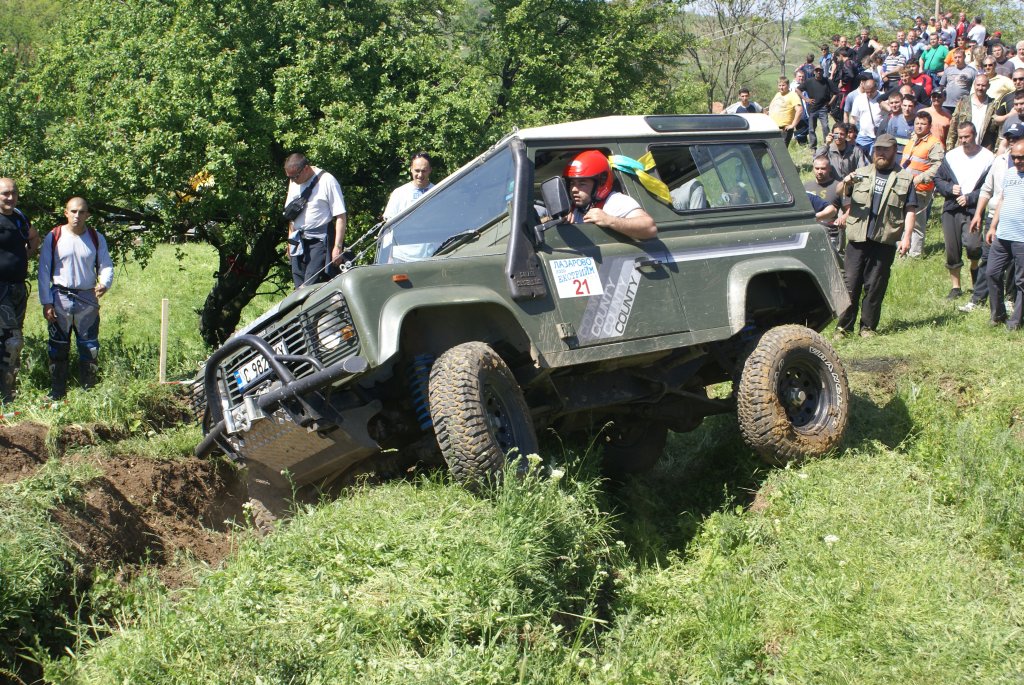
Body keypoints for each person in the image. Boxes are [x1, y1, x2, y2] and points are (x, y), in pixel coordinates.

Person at [835, 133, 918, 337]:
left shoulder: (905, 178)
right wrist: (846, 181)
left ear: (894, 151)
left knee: (875, 285)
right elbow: (839, 191)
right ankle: (843, 328)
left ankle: (868, 328)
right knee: (850, 283)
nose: (880, 153)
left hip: (884, 239)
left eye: (885, 150)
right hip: (858, 237)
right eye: (878, 149)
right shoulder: (860, 173)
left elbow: (910, 210)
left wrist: (907, 237)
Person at [37, 198, 114, 399]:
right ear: (66, 213)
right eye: (73, 211)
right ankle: (57, 392)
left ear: (87, 215)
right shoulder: (54, 236)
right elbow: (44, 270)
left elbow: (106, 264)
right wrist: (46, 301)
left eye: (81, 212)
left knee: (89, 346)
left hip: (87, 298)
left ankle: (89, 391)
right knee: (57, 346)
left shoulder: (96, 238)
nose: (77, 216)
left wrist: (105, 283)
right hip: (59, 297)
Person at [961, 123, 1024, 312]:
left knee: (1014, 265)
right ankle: (978, 298)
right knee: (988, 261)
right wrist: (978, 214)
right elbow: (987, 189)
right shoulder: (1000, 161)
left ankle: (1010, 299)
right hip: (995, 217)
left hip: (1018, 222)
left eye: (1016, 138)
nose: (1011, 142)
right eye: (1009, 138)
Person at [933, 123, 993, 301]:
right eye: (960, 137)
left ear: (975, 135)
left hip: (973, 209)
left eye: (967, 137)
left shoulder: (987, 157)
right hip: (951, 208)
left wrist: (970, 198)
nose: (963, 140)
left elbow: (989, 187)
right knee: (952, 249)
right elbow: (938, 178)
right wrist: (949, 188)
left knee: (974, 246)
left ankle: (974, 269)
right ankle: (956, 287)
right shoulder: (952, 156)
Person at [282, 153, 348, 288]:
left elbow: (341, 216)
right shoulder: (293, 181)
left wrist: (337, 247)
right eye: (290, 177)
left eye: (295, 177)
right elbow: (291, 215)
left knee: (310, 284)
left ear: (306, 169)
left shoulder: (328, 181)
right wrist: (290, 242)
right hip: (298, 239)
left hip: (319, 241)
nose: (293, 180)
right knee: (298, 284)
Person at [0, 178, 39, 402]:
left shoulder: (20, 217)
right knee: (12, 341)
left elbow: (34, 237)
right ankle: (7, 396)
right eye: (5, 193)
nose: (10, 197)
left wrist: (23, 257)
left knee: (12, 342)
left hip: (18, 289)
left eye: (13, 193)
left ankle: (8, 394)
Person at [562, 150, 656, 240]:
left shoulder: (616, 201)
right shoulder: (573, 208)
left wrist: (609, 220)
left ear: (600, 183)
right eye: (572, 183)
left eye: (582, 184)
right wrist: (561, 220)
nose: (574, 189)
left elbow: (650, 228)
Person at [984, 138, 1024, 329]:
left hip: (1022, 238)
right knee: (992, 273)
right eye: (1014, 157)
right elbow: (1002, 200)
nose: (1017, 161)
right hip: (1003, 234)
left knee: (1021, 281)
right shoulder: (1009, 173)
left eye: (1021, 158)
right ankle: (998, 314)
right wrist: (993, 226)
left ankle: (1016, 320)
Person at [900, 110, 944, 257]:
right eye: (917, 123)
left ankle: (915, 254)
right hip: (905, 187)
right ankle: (902, 250)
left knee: (917, 224)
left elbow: (937, 167)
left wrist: (919, 178)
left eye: (923, 124)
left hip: (920, 189)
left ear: (929, 126)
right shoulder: (913, 139)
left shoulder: (934, 144)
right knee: (904, 221)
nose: (919, 126)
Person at [805, 156, 846, 253]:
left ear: (830, 169)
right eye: (817, 168)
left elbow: (849, 209)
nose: (819, 171)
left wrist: (843, 218)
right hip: (809, 232)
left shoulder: (838, 186)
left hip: (831, 233)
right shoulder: (806, 186)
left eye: (823, 168)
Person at [947, 74, 998, 150]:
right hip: (962, 148)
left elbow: (997, 131)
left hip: (984, 149)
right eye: (978, 85)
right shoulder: (963, 102)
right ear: (974, 85)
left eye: (983, 85)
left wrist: (996, 150)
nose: (980, 88)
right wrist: (949, 148)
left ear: (988, 86)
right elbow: (953, 126)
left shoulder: (993, 105)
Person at [383, 152, 434, 221]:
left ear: (430, 170)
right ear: (411, 169)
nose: (420, 175)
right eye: (417, 170)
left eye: (424, 171)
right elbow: (388, 220)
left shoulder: (438, 192)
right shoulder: (399, 193)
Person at [797, 66, 837, 149]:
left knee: (825, 127)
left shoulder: (827, 81)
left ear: (823, 71)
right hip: (812, 108)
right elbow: (798, 89)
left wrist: (830, 103)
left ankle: (827, 145)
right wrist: (806, 99)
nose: (818, 72)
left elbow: (836, 92)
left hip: (823, 108)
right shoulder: (809, 81)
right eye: (817, 70)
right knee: (811, 129)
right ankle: (813, 146)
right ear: (814, 72)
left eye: (820, 70)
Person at [767, 77, 803, 146]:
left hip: (784, 129)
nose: (781, 87)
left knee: (781, 150)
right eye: (779, 85)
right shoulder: (778, 94)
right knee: (772, 150)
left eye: (783, 85)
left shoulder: (792, 95)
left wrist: (793, 125)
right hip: (773, 127)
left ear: (788, 85)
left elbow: (799, 110)